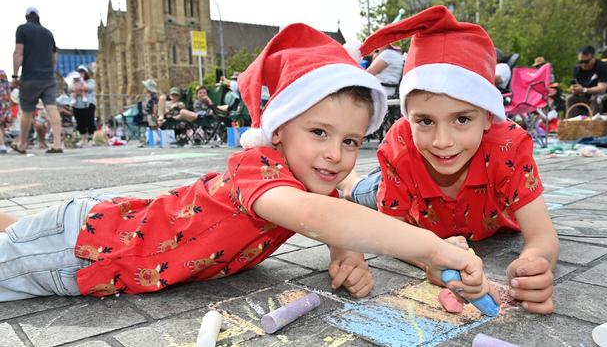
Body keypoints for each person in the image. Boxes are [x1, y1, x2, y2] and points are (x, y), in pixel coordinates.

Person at [0, 23, 492, 303]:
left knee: (21, 232)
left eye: (349, 141)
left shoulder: (311, 183)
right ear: (277, 131)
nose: (335, 155)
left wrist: (349, 258)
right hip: (83, 250)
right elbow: (324, 217)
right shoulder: (258, 167)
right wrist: (432, 247)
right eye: (318, 133)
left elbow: (338, 222)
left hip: (98, 228)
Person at [340, 6, 559, 314]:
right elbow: (390, 234)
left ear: (487, 117)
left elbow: (542, 234)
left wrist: (533, 263)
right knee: (360, 191)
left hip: (426, 184)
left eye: (461, 119)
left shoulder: (508, 146)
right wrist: (429, 256)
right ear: (408, 117)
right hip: (397, 181)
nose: (443, 142)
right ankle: (346, 180)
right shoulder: (400, 147)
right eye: (425, 121)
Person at [11, 6, 63, 154]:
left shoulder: (22, 29)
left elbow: (18, 53)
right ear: (38, 16)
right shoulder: (48, 33)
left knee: (27, 111)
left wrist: (15, 76)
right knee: (51, 107)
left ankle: (22, 144)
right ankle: (58, 144)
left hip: (30, 77)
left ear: (27, 16)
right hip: (48, 77)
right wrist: (49, 70)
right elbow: (54, 57)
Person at [568, 45, 607, 117]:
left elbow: (602, 89)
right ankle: (572, 123)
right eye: (581, 62)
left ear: (593, 58)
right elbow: (576, 86)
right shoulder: (577, 69)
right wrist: (574, 89)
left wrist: (584, 89)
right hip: (584, 97)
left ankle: (593, 124)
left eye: (586, 61)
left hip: (601, 97)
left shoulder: (602, 66)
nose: (583, 64)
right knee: (570, 98)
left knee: (596, 98)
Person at [72, 65, 97, 146]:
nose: (80, 74)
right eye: (79, 72)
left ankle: (92, 138)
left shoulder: (90, 81)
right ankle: (83, 139)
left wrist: (80, 83)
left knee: (90, 121)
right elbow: (71, 88)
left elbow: (89, 88)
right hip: (77, 105)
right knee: (80, 122)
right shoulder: (74, 81)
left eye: (82, 72)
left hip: (88, 104)